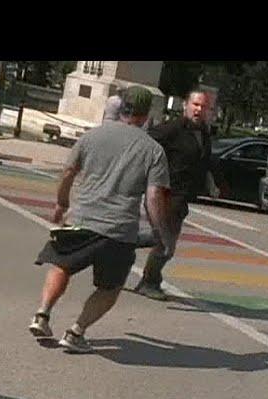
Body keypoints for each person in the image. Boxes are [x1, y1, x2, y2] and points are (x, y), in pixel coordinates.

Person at [28, 86, 175, 353]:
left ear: (121, 108)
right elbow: (153, 197)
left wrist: (62, 203)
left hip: (80, 218)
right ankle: (76, 331)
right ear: (147, 114)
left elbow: (68, 172)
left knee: (61, 265)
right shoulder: (153, 151)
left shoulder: (91, 136)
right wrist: (160, 233)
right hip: (118, 231)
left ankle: (42, 314)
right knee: (110, 287)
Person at [133, 89, 230, 301]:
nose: (199, 110)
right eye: (195, 105)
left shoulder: (204, 132)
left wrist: (212, 185)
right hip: (165, 193)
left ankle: (120, 246)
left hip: (182, 197)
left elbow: (205, 162)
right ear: (185, 104)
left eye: (204, 107)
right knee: (166, 245)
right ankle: (147, 279)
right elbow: (145, 143)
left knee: (162, 242)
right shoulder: (172, 129)